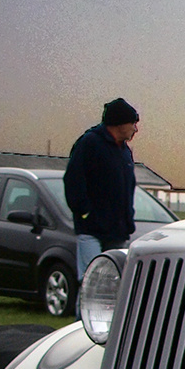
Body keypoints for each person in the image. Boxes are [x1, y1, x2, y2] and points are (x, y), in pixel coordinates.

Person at [64, 98, 140, 276]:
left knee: (113, 284)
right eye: (133, 123)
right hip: (92, 230)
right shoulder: (89, 143)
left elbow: (127, 188)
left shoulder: (125, 151)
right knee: (91, 280)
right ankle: (83, 306)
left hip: (118, 232)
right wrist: (85, 212)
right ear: (119, 123)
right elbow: (74, 180)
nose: (135, 129)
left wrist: (128, 219)